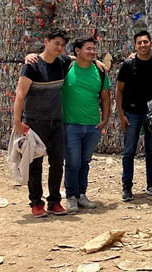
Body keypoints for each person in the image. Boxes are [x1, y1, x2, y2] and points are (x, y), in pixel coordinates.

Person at [12, 28, 71, 217]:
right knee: (34, 164)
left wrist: (97, 62)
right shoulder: (32, 65)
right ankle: (36, 203)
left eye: (62, 45)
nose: (59, 48)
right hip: (35, 122)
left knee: (57, 162)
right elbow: (20, 94)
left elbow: (81, 59)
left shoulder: (62, 62)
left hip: (56, 121)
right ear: (46, 42)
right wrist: (17, 121)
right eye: (56, 44)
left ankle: (54, 201)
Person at [62, 37, 111, 212]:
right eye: (88, 49)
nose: (92, 52)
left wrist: (105, 119)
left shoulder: (100, 71)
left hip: (92, 125)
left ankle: (81, 194)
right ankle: (71, 196)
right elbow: (50, 56)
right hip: (71, 124)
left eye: (94, 49)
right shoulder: (66, 67)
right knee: (73, 162)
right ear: (77, 50)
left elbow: (105, 97)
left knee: (85, 162)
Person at [116, 31, 152, 202]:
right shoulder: (127, 65)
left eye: (146, 42)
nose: (143, 45)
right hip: (132, 113)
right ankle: (127, 186)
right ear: (135, 45)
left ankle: (151, 184)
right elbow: (119, 91)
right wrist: (121, 115)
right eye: (140, 43)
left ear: (151, 44)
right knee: (129, 151)